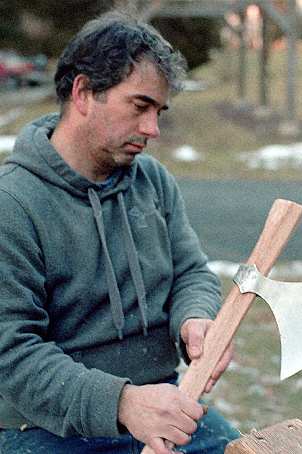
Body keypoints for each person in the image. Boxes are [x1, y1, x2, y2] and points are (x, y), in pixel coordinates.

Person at [0, 9, 238, 454]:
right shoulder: (12, 205)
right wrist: (124, 403)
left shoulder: (152, 181)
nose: (153, 129)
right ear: (84, 92)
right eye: (140, 106)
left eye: (159, 111)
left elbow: (191, 272)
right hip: (45, 430)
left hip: (164, 406)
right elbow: (11, 354)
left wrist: (195, 318)